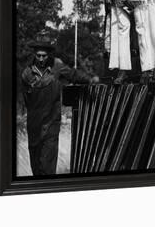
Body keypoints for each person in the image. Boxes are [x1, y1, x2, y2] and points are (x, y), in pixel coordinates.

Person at [21, 35, 98, 176]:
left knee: (47, 167)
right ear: (34, 54)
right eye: (38, 56)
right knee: (36, 166)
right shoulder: (27, 74)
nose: (41, 59)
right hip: (34, 125)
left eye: (44, 56)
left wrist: (90, 80)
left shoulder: (57, 65)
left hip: (51, 124)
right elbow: (27, 100)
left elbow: (73, 75)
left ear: (48, 54)